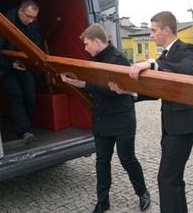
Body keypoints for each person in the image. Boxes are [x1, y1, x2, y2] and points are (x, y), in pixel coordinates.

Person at [108, 11, 193, 213]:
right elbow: (156, 91)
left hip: (183, 126)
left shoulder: (187, 49)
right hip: (170, 126)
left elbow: (187, 71)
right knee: (173, 178)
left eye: (153, 30)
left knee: (166, 178)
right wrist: (127, 91)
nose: (151, 35)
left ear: (166, 30)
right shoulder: (165, 56)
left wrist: (151, 63)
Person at [60, 23, 150, 213]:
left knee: (127, 159)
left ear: (97, 41)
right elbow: (89, 84)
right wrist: (71, 81)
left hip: (121, 119)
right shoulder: (93, 58)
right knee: (102, 161)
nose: (85, 49)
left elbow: (114, 90)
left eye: (86, 45)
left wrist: (86, 85)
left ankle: (142, 192)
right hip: (101, 119)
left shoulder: (118, 59)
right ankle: (103, 201)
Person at [0, 0, 42, 144]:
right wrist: (11, 65)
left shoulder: (33, 23)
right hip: (4, 65)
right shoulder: (3, 21)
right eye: (28, 16)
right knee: (16, 96)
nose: (31, 21)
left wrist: (32, 63)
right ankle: (24, 131)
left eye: (34, 17)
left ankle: (23, 128)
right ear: (20, 11)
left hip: (24, 65)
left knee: (30, 97)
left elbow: (36, 46)